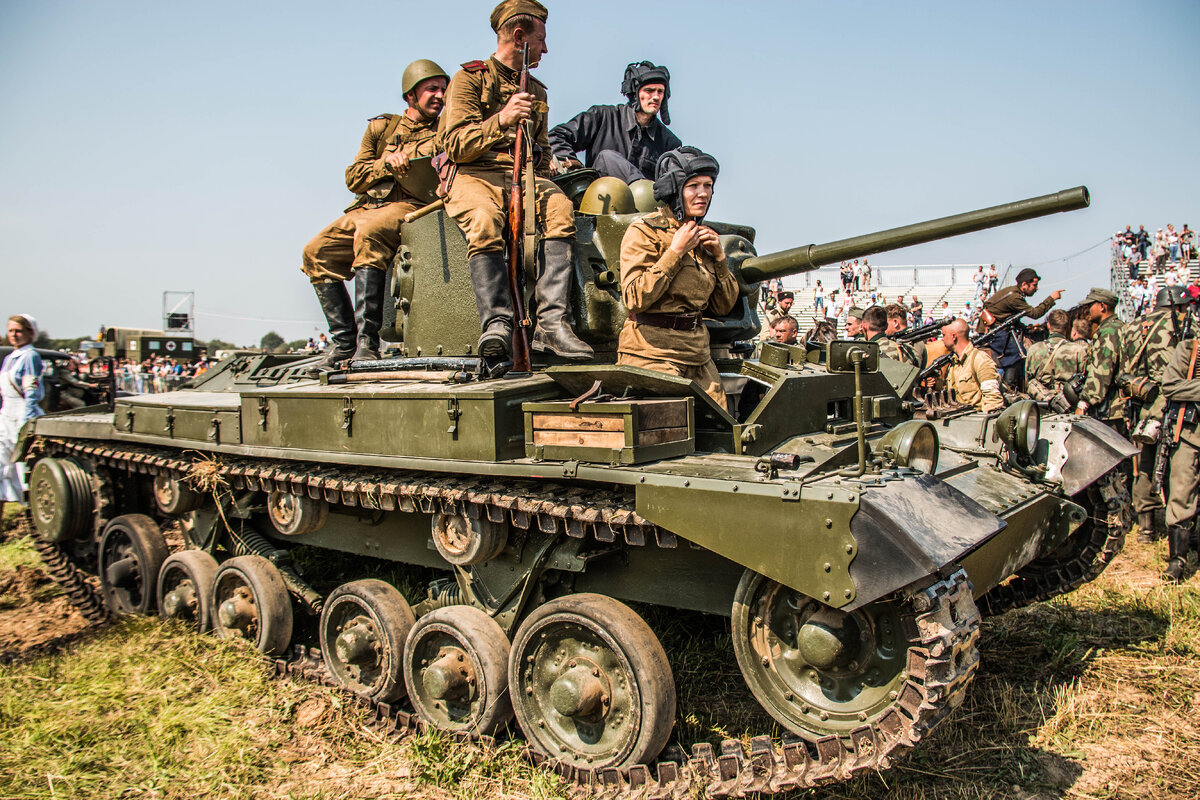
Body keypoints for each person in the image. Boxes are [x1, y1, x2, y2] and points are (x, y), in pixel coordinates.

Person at [437, 0, 592, 364]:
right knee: (484, 220)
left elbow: (540, 151)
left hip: (524, 178)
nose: (546, 49)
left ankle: (551, 325)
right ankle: (497, 323)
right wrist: (503, 120)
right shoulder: (470, 79)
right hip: (476, 174)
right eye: (541, 40)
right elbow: (456, 145)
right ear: (519, 37)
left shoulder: (537, 91)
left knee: (559, 208)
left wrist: (544, 160)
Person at [302, 59, 448, 371]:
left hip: (412, 206)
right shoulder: (382, 128)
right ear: (410, 95)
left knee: (370, 233)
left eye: (443, 90)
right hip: (367, 206)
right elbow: (353, 177)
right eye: (431, 89)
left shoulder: (445, 130)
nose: (440, 96)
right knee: (316, 252)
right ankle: (343, 342)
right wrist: (386, 164)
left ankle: (367, 343)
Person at [617, 146, 738, 410]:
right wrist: (675, 252)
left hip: (698, 355)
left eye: (708, 185)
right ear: (674, 190)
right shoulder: (645, 232)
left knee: (723, 429)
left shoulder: (704, 237)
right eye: (693, 186)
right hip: (651, 354)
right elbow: (634, 298)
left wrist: (719, 258)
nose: (703, 193)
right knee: (668, 435)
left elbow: (722, 306)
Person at [1124, 286, 1192, 542]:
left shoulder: (1134, 325)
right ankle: (1181, 523)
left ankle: (1146, 527)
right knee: (1176, 462)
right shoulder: (1180, 323)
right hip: (1173, 401)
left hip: (1142, 401)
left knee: (1144, 466)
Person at [549, 61, 681, 183]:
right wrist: (577, 172)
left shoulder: (669, 143)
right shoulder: (602, 117)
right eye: (649, 91)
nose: (656, 97)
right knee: (607, 158)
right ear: (635, 93)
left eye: (660, 91)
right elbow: (556, 136)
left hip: (645, 206)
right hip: (598, 201)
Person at [1158, 335, 1200, 582]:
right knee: (1181, 494)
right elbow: (1170, 385)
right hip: (1190, 434)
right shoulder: (1189, 348)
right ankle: (1177, 560)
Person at [981, 267, 1063, 387]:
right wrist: (1051, 299)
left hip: (1000, 328)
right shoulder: (1014, 297)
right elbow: (1035, 314)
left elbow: (1010, 318)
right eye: (1034, 285)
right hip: (995, 332)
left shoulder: (1015, 293)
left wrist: (1026, 329)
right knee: (1017, 354)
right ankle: (1011, 387)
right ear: (1024, 284)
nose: (1037, 288)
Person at [1, 315, 45, 519]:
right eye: (11, 331)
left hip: (21, 416)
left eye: (18, 331)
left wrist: (26, 423)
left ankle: (33, 519)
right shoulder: (10, 358)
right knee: (3, 467)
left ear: (30, 333)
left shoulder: (30, 356)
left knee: (24, 469)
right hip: (6, 415)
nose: (14, 335)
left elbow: (31, 392)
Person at [1074, 288, 1127, 427]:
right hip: (1115, 408)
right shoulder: (1118, 327)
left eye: (1090, 306)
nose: (1087, 310)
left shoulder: (1109, 331)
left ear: (1102, 306)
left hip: (1109, 410)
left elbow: (1102, 370)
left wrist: (1084, 403)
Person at [1024, 309, 1087, 413]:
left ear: (1048, 325)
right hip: (1068, 405)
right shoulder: (1077, 350)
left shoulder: (1034, 349)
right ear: (1067, 328)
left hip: (1041, 405)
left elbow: (1028, 379)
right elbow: (1084, 380)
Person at [941, 318, 1004, 412]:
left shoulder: (980, 359)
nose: (942, 339)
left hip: (975, 420)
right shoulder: (953, 363)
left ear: (954, 336)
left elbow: (993, 401)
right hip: (958, 419)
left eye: (944, 335)